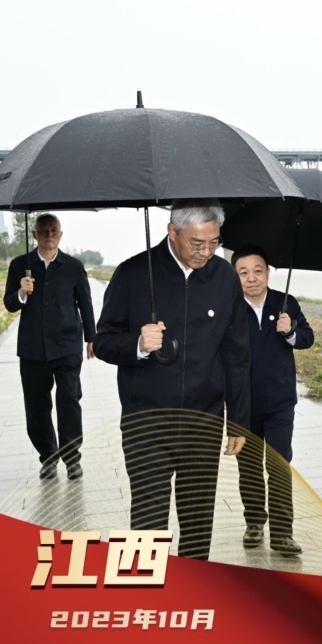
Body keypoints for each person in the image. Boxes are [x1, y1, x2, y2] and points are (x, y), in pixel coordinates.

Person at [92, 199, 250, 561]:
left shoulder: (225, 278)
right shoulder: (133, 273)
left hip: (204, 419)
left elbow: (237, 355)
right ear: (172, 232)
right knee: (148, 519)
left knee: (198, 518)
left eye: (214, 243)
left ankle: (191, 585)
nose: (206, 252)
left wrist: (239, 421)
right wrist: (137, 344)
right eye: (197, 243)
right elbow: (102, 342)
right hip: (146, 419)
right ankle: (146, 585)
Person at [230, 245, 314, 556]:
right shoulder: (229, 308)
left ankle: (283, 533)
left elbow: (307, 338)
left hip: (280, 402)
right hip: (243, 404)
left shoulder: (285, 303)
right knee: (249, 466)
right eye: (243, 272)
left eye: (257, 270)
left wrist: (290, 331)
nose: (251, 278)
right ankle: (254, 523)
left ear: (268, 272)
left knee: (279, 466)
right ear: (235, 277)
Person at [3, 214, 96, 481]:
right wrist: (21, 292)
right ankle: (48, 457)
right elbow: (9, 304)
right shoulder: (21, 265)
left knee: (69, 401)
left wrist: (92, 338)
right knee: (36, 406)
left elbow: (85, 303)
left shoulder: (73, 266)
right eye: (43, 231)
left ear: (61, 235)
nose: (49, 235)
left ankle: (72, 458)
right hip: (32, 349)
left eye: (54, 230)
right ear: (34, 235)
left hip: (67, 345)